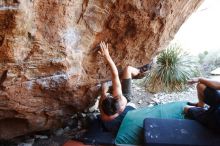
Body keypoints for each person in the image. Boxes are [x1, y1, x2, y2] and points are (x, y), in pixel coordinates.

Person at [98, 41, 151, 135]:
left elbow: (102, 101)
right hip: (126, 97)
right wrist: (107, 56)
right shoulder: (120, 98)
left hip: (116, 120)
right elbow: (114, 74)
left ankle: (138, 72)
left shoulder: (105, 117)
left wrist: (103, 93)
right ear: (114, 98)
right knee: (128, 69)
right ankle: (139, 71)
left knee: (105, 88)